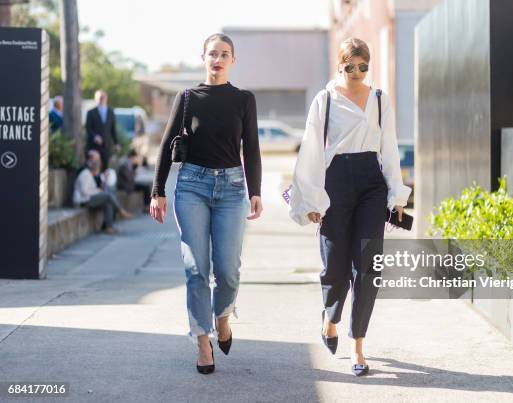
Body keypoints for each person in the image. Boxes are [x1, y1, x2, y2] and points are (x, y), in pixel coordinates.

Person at [289, 38, 411, 376]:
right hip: (336, 180)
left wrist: (397, 196)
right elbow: (312, 148)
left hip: (371, 183)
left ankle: (358, 346)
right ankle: (331, 316)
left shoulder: (380, 98)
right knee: (336, 265)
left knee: (368, 266)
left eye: (363, 66)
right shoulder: (325, 99)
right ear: (339, 66)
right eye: (349, 67)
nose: (357, 73)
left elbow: (389, 147)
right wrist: (312, 198)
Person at [149, 33, 263, 375]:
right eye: (213, 53)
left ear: (232, 60)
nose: (218, 58)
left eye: (224, 54)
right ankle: (202, 341)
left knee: (227, 271)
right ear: (203, 57)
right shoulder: (188, 98)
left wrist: (255, 190)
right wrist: (158, 190)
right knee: (195, 268)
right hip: (192, 188)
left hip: (231, 189)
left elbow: (253, 148)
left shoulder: (244, 99)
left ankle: (222, 321)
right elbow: (166, 143)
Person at [73, 150, 132, 234]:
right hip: (83, 201)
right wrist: (98, 191)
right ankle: (121, 211)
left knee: (107, 203)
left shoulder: (90, 176)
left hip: (88, 199)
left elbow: (94, 189)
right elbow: (85, 192)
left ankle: (108, 227)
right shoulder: (85, 175)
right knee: (108, 196)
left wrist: (100, 188)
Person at [85, 90, 118, 170]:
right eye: (100, 98)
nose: (102, 99)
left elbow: (113, 129)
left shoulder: (110, 112)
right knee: (94, 168)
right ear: (96, 99)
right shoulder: (91, 112)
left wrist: (116, 143)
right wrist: (95, 136)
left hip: (106, 146)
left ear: (106, 98)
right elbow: (88, 128)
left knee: (105, 168)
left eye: (103, 97)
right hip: (94, 146)